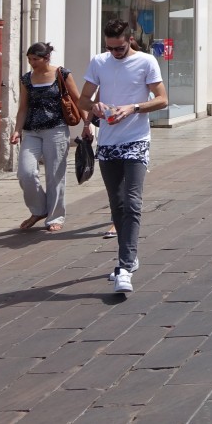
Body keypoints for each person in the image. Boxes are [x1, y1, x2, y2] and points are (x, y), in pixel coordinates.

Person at [79, 20, 168, 293]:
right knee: (116, 204)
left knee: (132, 201)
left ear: (129, 40)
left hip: (136, 140)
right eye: (110, 48)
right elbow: (83, 100)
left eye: (119, 48)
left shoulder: (146, 61)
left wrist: (134, 107)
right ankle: (130, 254)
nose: (114, 52)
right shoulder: (99, 62)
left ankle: (125, 266)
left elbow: (162, 99)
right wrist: (96, 107)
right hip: (108, 142)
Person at [11, 41, 90, 233]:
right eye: (29, 59)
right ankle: (39, 210)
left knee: (55, 175)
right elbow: (23, 108)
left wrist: (87, 124)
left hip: (56, 129)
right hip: (31, 131)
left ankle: (55, 217)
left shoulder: (62, 74)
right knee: (25, 173)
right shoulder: (26, 79)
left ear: (47, 58)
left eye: (35, 59)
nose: (32, 63)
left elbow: (78, 99)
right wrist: (17, 130)